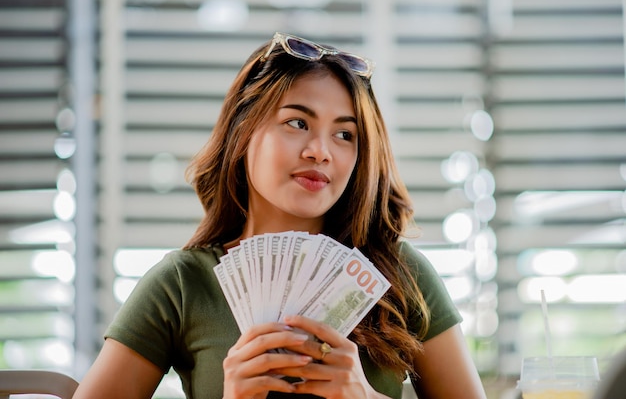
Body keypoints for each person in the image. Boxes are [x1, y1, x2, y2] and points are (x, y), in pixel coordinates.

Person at [73, 32, 487, 399]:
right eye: (296, 123)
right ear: (243, 131)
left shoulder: (401, 275)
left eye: (345, 134)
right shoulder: (182, 285)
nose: (320, 151)